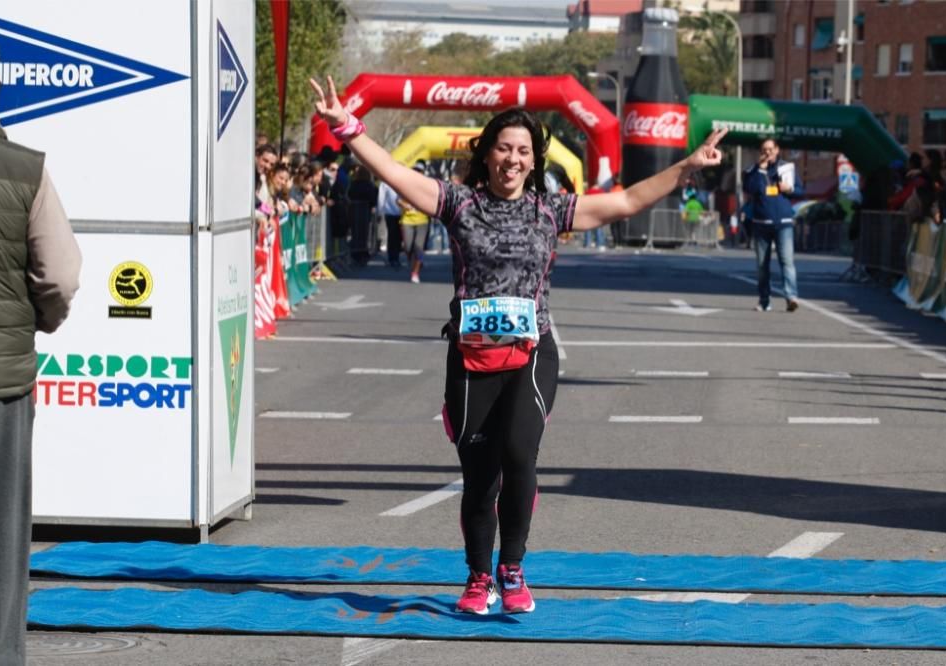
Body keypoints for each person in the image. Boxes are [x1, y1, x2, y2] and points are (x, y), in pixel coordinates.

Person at [309, 75, 725, 615]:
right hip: (471, 356)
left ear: (535, 161)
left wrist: (687, 166)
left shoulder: (550, 211)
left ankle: (513, 569)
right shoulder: (457, 203)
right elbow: (391, 170)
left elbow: (625, 201)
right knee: (480, 476)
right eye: (503, 148)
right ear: (485, 155)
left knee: (520, 455)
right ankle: (479, 577)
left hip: (531, 353)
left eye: (523, 151)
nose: (512, 158)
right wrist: (345, 125)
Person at [0, 37, 81, 665]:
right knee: (1, 534)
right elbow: (61, 275)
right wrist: (39, 322)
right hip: (0, 381)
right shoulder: (25, 168)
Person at [743, 137, 803, 312]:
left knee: (787, 261)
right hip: (761, 223)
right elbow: (749, 189)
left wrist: (789, 189)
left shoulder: (787, 168)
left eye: (770, 149)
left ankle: (791, 297)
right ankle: (764, 300)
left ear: (777, 150)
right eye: (764, 149)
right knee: (763, 265)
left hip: (783, 223)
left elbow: (800, 190)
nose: (767, 153)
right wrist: (760, 168)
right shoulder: (752, 170)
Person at [398, 161, 431, 283]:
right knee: (407, 247)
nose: (417, 173)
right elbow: (398, 200)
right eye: (415, 170)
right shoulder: (405, 184)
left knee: (419, 247)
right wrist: (403, 204)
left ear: (422, 173)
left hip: (422, 221)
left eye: (419, 171)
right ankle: (415, 263)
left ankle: (415, 272)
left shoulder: (427, 185)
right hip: (407, 220)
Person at [377, 176, 403, 268]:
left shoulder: (402, 180)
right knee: (392, 235)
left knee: (398, 236)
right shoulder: (385, 183)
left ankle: (396, 257)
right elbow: (381, 198)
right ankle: (392, 257)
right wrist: (380, 212)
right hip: (390, 213)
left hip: (401, 213)